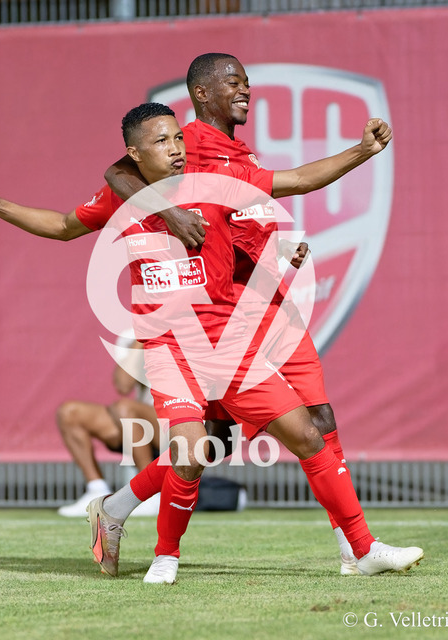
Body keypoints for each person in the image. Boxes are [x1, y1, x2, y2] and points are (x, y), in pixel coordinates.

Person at [0, 104, 423, 586]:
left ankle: (363, 550)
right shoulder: (121, 197)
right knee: (193, 450)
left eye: (178, 137)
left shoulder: (216, 183)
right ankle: (165, 557)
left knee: (307, 435)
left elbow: (300, 179)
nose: (176, 148)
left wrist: (362, 151)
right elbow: (61, 226)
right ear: (134, 154)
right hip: (172, 350)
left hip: (230, 344)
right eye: (161, 141)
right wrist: (0, 207)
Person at [102, 53, 354, 575]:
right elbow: (116, 173)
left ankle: (355, 547)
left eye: (247, 82)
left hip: (271, 302)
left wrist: (275, 252)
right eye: (234, 82)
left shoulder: (239, 153)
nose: (245, 90)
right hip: (225, 313)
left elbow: (251, 212)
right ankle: (126, 512)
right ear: (202, 93)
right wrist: (171, 214)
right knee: (211, 443)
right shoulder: (187, 143)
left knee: (319, 419)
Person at [56, 333, 162, 517]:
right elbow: (123, 385)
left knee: (124, 407)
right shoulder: (132, 335)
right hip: (142, 424)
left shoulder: (189, 330)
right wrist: (141, 339)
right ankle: (96, 489)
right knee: (70, 412)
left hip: (181, 423)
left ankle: (150, 493)